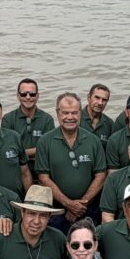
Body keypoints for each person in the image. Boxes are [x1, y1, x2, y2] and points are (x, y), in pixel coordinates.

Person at [34, 91, 110, 230]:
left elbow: (101, 176)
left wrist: (81, 205)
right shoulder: (45, 142)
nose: (70, 117)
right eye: (65, 113)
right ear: (58, 113)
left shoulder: (93, 141)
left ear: (80, 113)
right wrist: (68, 203)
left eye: (74, 113)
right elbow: (43, 178)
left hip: (89, 210)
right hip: (56, 211)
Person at [3, 78, 56, 162]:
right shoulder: (8, 119)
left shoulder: (47, 119)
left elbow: (49, 149)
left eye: (32, 94)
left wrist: (20, 152)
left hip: (41, 166)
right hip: (16, 166)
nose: (28, 97)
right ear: (18, 96)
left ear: (37, 96)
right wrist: (36, 151)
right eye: (24, 94)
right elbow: (8, 151)